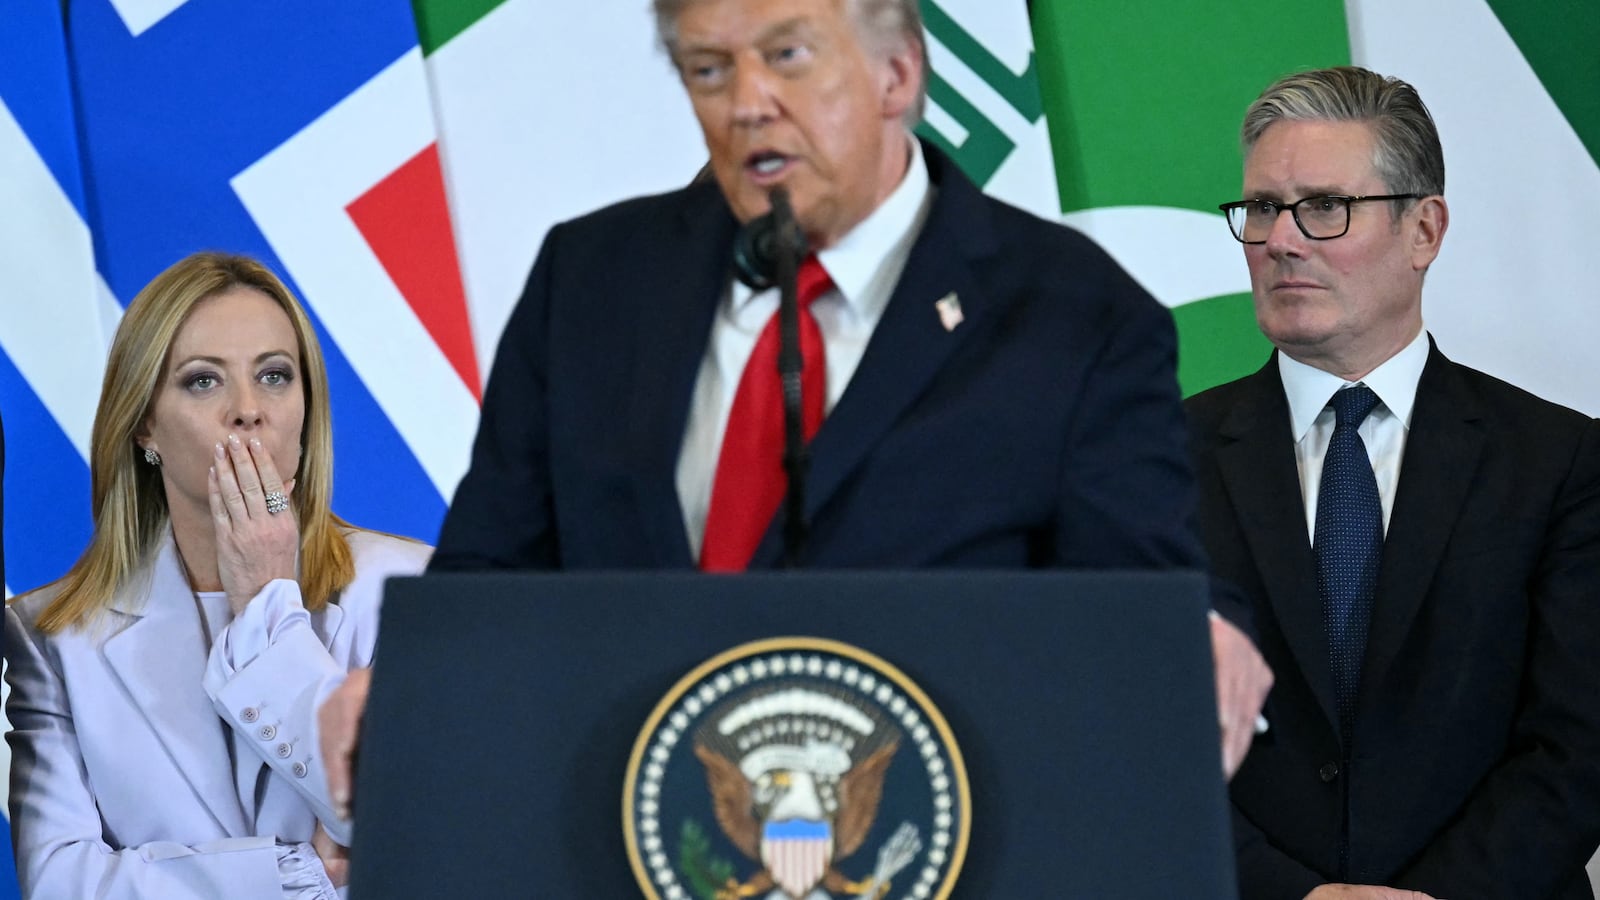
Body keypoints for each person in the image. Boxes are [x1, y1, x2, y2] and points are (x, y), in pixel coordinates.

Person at [320, 0, 1271, 819]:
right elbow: (491, 574)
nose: (745, 104)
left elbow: (1141, 606)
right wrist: (409, 684)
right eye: (708, 68)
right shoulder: (592, 282)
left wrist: (1202, 633)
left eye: (787, 55)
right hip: (620, 837)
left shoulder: (1071, 317)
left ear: (897, 73)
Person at [1188, 66, 1600, 900]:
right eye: (1263, 208)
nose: (1282, 241)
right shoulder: (1156, 461)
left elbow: (1580, 743)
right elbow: (1130, 729)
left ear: (1425, 229)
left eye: (1325, 207)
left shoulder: (1560, 462)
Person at [4, 252, 431, 899]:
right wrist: (299, 874)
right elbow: (60, 884)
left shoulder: (413, 590)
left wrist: (266, 601)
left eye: (275, 376)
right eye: (204, 381)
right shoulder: (48, 634)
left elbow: (414, 829)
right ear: (144, 421)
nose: (248, 410)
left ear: (308, 411)